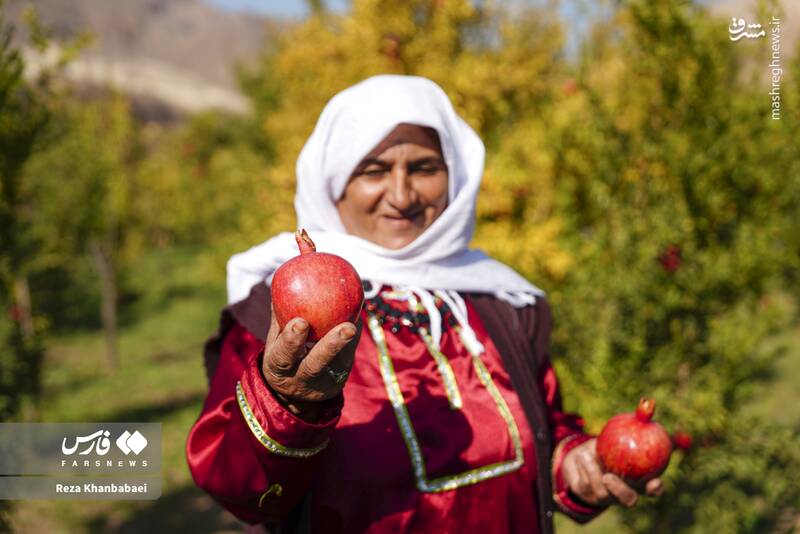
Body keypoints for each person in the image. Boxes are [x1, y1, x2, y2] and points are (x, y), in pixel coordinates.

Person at [186, 75, 663, 534]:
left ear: (454, 177)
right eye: (373, 171)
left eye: (424, 168)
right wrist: (285, 402)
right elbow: (235, 485)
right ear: (334, 184)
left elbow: (544, 429)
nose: (401, 195)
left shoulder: (501, 303)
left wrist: (575, 465)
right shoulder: (281, 313)